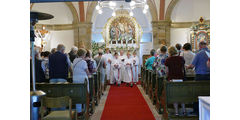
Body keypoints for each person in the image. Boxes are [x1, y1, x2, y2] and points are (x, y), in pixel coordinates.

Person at [187, 41, 210, 115]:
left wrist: (187, 67)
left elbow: (192, 65)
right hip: (209, 75)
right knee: (208, 92)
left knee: (197, 92)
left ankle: (196, 110)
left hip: (200, 75)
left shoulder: (199, 54)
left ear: (200, 46)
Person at [165, 46, 186, 116]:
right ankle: (184, 110)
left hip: (172, 79)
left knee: (174, 95)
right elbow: (183, 69)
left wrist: (167, 77)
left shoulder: (168, 60)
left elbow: (167, 71)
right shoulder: (181, 58)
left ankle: (176, 112)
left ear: (170, 52)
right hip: (181, 78)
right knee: (181, 94)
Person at [72, 48, 90, 116]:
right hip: (82, 80)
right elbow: (86, 71)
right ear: (83, 54)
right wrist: (89, 75)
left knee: (78, 95)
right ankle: (86, 110)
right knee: (85, 94)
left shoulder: (74, 60)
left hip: (75, 79)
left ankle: (78, 111)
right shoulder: (83, 62)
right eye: (85, 54)